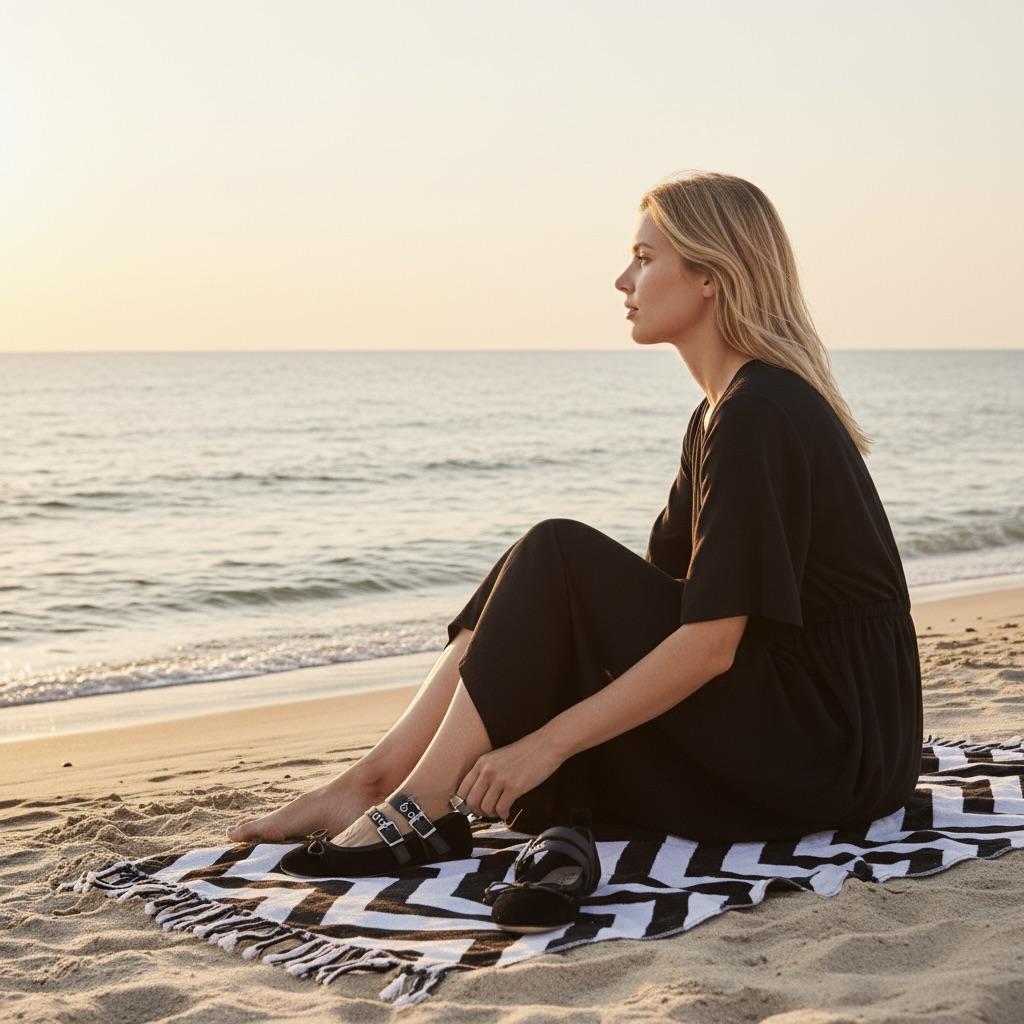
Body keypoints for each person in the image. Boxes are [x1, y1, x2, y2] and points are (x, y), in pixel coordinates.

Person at [228, 170, 922, 852]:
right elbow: (660, 610)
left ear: (711, 276)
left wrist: (543, 744)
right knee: (532, 580)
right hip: (824, 736)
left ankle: (419, 801)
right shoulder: (720, 415)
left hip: (831, 751)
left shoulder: (759, 414)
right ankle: (376, 779)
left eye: (645, 260)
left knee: (556, 558)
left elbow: (709, 645)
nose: (623, 281)